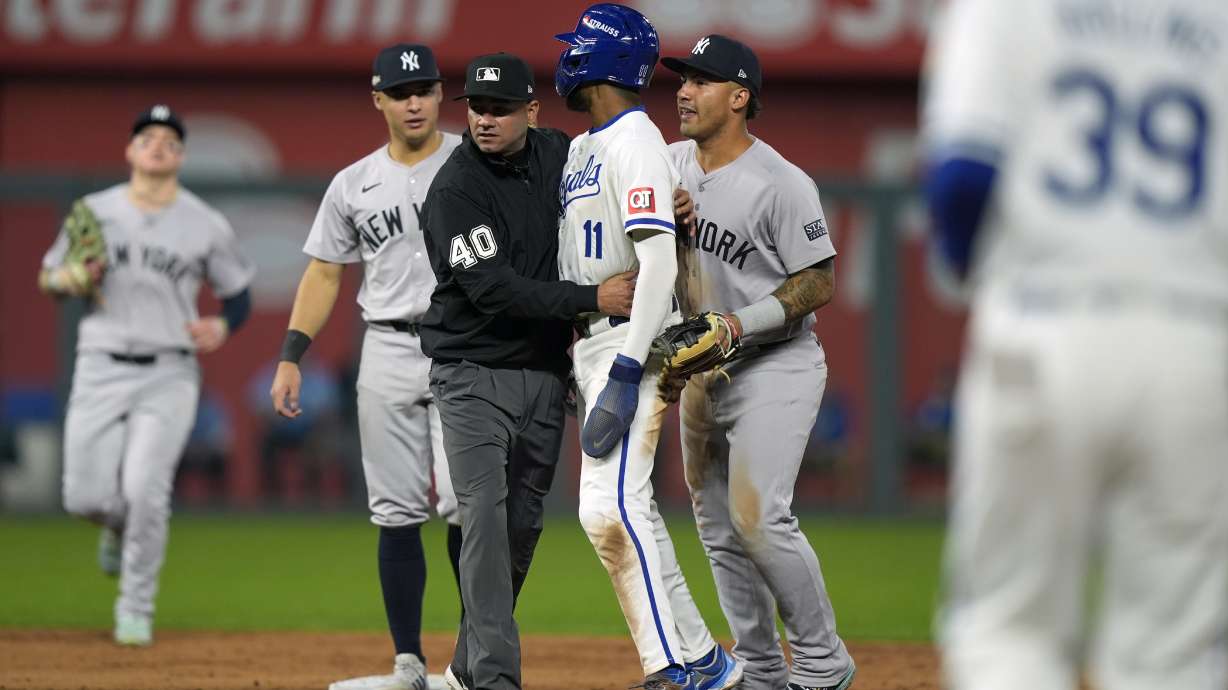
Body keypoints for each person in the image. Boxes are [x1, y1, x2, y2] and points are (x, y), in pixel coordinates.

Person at [922, 1, 1228, 689]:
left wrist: (968, 267)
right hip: (1197, 335)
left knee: (1009, 632)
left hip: (1044, 317)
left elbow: (963, 174)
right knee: (1171, 655)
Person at [419, 52, 639, 690]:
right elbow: (492, 291)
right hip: (471, 370)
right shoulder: (456, 187)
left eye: (499, 108)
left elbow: (615, 186)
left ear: (531, 111)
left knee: (521, 527)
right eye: (477, 108)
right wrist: (589, 300)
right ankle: (494, 679)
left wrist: (665, 199)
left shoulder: (559, 155)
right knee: (483, 514)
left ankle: (465, 665)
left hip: (543, 373)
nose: (484, 119)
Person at [658, 34, 856, 690]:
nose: (684, 91)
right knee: (717, 526)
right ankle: (763, 672)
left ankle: (824, 665)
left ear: (739, 97)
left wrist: (741, 323)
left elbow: (818, 281)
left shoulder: (781, 181)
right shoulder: (666, 166)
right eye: (683, 79)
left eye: (702, 81)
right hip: (702, 369)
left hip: (776, 362)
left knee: (759, 516)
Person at [553, 6, 744, 690]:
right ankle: (706, 662)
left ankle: (669, 669)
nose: (567, 55)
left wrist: (631, 366)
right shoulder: (585, 146)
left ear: (601, 60)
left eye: (577, 46)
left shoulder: (635, 138)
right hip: (593, 344)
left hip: (629, 347)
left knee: (608, 510)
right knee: (624, 508)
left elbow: (657, 263)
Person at [268, 44, 464, 690]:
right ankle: (408, 661)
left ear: (440, 95)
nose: (414, 102)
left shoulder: (475, 161)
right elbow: (325, 273)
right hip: (385, 344)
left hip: (466, 343)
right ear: (378, 99)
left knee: (468, 505)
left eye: (424, 89)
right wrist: (293, 353)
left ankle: (474, 656)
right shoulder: (353, 183)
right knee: (396, 509)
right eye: (400, 91)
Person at [39, 105, 255, 646]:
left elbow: (240, 294)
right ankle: (115, 525)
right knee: (82, 498)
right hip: (100, 363)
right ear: (131, 151)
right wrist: (69, 276)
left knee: (145, 489)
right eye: (147, 137)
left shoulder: (205, 222)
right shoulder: (93, 210)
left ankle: (135, 608)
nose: (157, 145)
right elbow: (51, 277)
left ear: (180, 156)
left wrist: (223, 326)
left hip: (169, 371)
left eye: (168, 139)